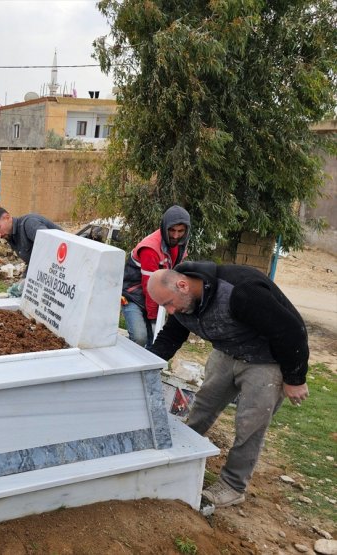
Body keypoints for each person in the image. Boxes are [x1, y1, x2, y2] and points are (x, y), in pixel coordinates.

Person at [147, 262, 309, 508]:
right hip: (226, 352)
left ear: (182, 285)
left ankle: (233, 485)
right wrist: (147, 367)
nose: (170, 310)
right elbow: (171, 336)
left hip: (266, 360)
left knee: (250, 424)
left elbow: (290, 330)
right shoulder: (184, 301)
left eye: (169, 303)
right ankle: (182, 455)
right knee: (203, 406)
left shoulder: (240, 292)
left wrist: (295, 378)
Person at [121, 205, 191, 348]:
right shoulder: (150, 249)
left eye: (180, 231)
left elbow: (176, 276)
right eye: (172, 230)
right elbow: (150, 288)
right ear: (165, 227)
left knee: (153, 341)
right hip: (133, 296)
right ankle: (120, 362)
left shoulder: (179, 244)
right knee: (140, 338)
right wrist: (154, 320)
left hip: (155, 297)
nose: (176, 235)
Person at [0, 206, 62, 297]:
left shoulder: (29, 224)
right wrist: (23, 281)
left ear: (7, 217)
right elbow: (33, 260)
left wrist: (29, 281)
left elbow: (51, 248)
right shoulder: (11, 236)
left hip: (65, 270)